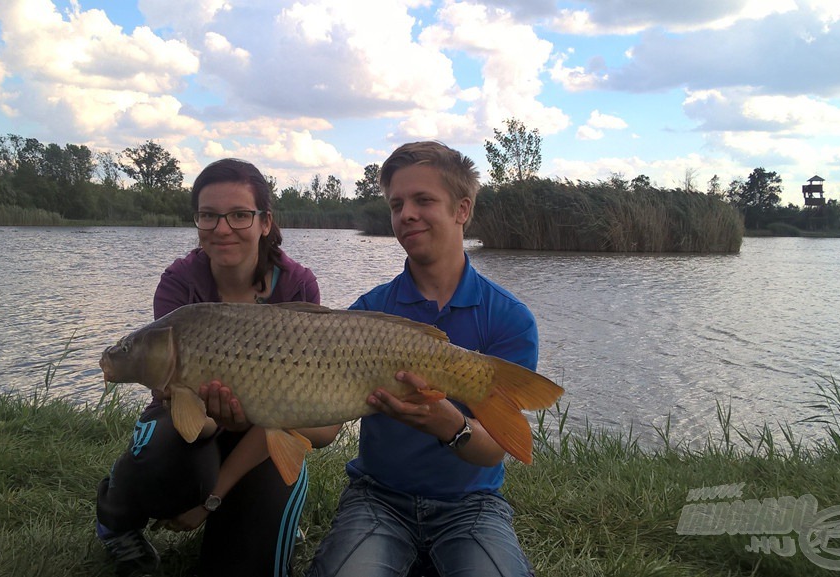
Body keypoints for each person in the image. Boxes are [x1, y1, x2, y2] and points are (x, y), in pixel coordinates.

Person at [96, 158, 339, 577]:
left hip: (266, 430)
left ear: (265, 222)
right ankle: (117, 517)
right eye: (208, 215)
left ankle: (239, 512)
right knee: (163, 449)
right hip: (192, 424)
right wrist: (211, 416)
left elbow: (292, 414)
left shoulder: (298, 283)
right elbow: (192, 422)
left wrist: (214, 499)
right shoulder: (180, 282)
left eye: (239, 215)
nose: (221, 228)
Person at [306, 141, 539, 577]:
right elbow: (323, 430)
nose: (406, 214)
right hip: (378, 497)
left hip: (470, 505)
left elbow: (494, 450)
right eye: (396, 204)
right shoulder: (365, 315)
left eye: (423, 200)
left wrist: (447, 425)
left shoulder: (508, 318)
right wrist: (263, 407)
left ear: (461, 209)